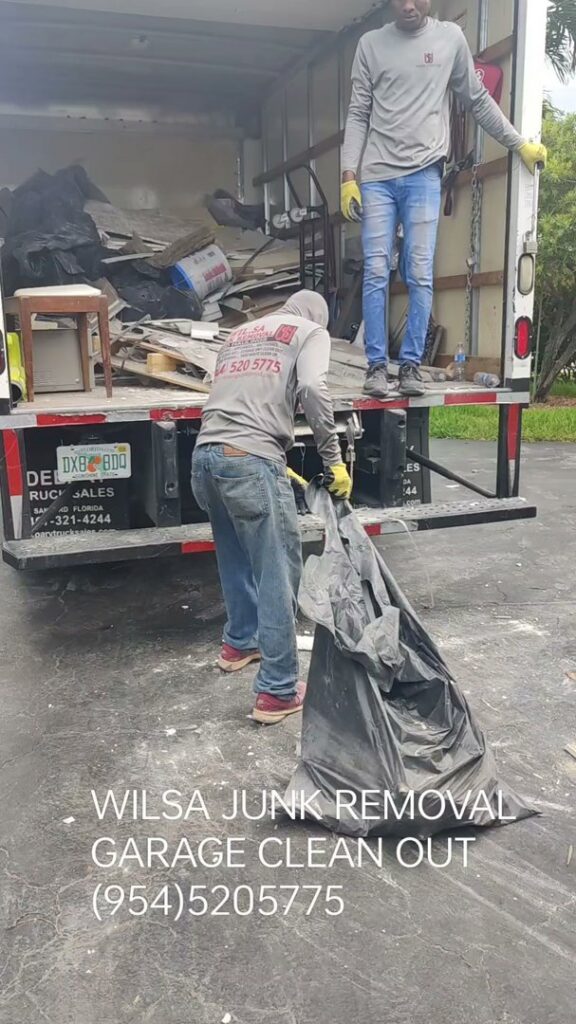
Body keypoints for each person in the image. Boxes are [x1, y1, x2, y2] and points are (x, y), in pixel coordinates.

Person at [341, 0, 547, 399]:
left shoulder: (450, 39)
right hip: (378, 176)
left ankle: (412, 367)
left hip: (423, 175)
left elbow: (478, 99)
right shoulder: (370, 45)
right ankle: (377, 366)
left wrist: (518, 142)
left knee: (418, 273)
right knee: (377, 271)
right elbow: (358, 112)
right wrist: (349, 176)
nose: (408, 5)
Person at [191, 290, 352, 726]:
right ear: (318, 315)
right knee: (278, 572)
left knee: (235, 559)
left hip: (205, 456)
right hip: (250, 459)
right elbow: (314, 389)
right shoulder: (310, 332)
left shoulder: (239, 333)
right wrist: (333, 459)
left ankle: (239, 642)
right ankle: (278, 690)